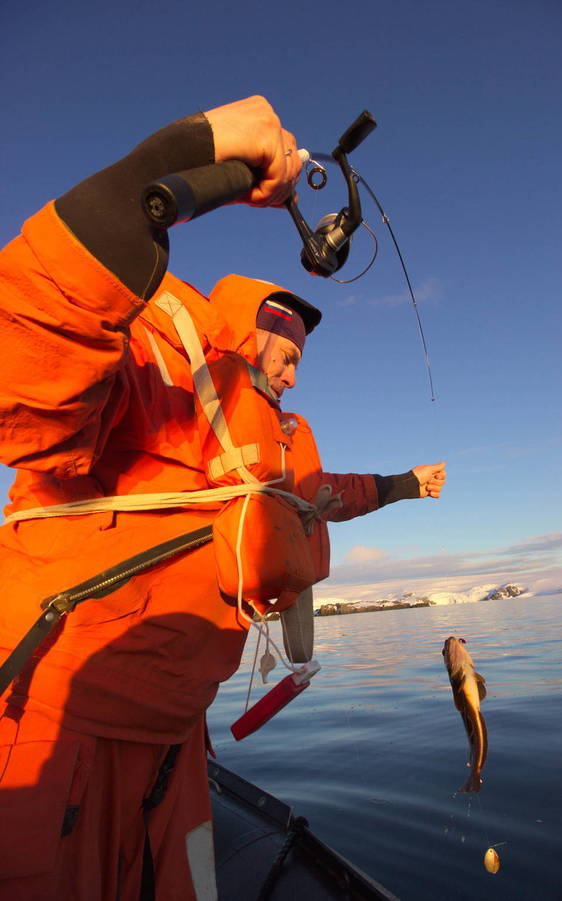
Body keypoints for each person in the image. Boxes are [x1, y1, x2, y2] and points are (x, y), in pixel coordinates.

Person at [0, 96, 445, 900]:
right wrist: (175, 155)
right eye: (288, 344)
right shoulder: (147, 349)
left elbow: (323, 498)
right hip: (61, 731)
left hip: (178, 740)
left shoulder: (278, 437)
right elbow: (27, 371)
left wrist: (408, 485)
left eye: (305, 353)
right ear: (251, 325)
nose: (296, 368)